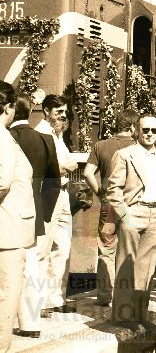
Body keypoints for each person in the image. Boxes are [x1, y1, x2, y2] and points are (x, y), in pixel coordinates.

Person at [106, 113, 156, 323]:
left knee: (147, 268)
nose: (150, 134)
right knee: (126, 265)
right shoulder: (124, 155)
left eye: (154, 130)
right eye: (146, 130)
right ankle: (123, 316)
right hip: (134, 211)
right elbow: (113, 189)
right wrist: (125, 215)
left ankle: (140, 316)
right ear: (136, 130)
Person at [9, 95, 61, 338]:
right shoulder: (45, 139)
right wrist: (45, 212)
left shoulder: (8, 138)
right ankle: (30, 323)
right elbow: (54, 183)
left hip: (6, 212)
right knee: (34, 266)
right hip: (35, 213)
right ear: (30, 112)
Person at [82, 108, 138, 306]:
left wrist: (99, 192)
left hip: (108, 205)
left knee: (106, 248)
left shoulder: (101, 146)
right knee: (131, 249)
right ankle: (127, 296)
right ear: (132, 127)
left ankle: (105, 295)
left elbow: (88, 173)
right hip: (132, 207)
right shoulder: (139, 147)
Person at [34, 94, 78, 313]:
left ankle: (55, 298)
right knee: (43, 248)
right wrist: (65, 168)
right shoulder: (41, 134)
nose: (62, 116)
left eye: (64, 112)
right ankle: (39, 301)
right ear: (46, 111)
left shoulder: (58, 135)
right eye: (58, 112)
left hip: (62, 194)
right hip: (48, 194)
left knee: (62, 248)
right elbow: (44, 169)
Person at [0, 81, 34, 353]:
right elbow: (2, 181)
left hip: (8, 226)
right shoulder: (1, 135)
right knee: (6, 295)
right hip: (7, 229)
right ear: (9, 107)